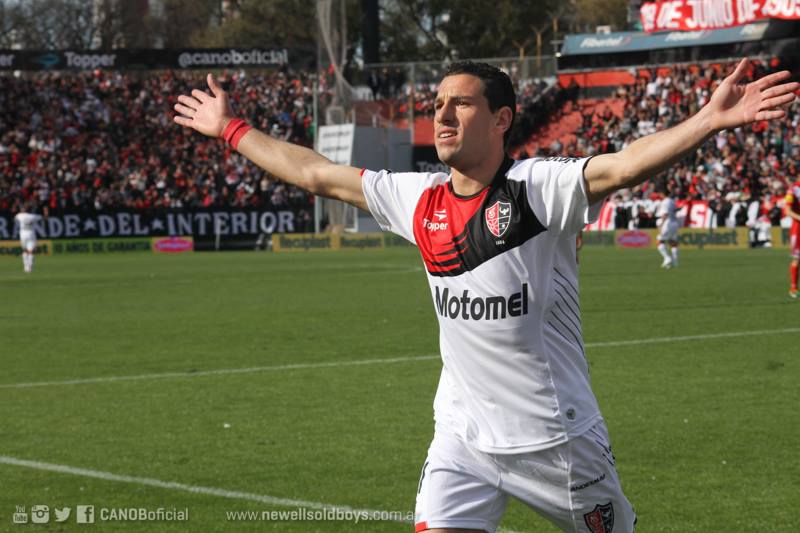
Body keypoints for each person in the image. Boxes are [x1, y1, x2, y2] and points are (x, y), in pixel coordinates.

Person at [174, 59, 797, 533]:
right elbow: (315, 172)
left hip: (557, 444)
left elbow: (621, 166)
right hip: (463, 437)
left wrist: (708, 120)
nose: (442, 116)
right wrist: (230, 128)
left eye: (461, 104)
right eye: (437, 104)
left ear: (501, 119)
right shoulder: (416, 198)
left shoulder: (536, 189)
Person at [14, 204, 43, 274]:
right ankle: (30, 267)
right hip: (31, 234)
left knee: (24, 250)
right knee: (31, 251)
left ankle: (25, 266)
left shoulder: (20, 215)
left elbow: (15, 218)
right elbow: (43, 217)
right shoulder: (33, 216)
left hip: (23, 234)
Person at [656, 188, 680, 268]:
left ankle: (667, 258)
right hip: (674, 222)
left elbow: (665, 214)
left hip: (667, 223)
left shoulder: (665, 202)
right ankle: (675, 262)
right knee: (673, 242)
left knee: (659, 241)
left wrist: (661, 225)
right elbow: (675, 210)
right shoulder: (672, 201)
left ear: (662, 194)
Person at [785, 179, 800, 298]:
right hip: (798, 229)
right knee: (797, 258)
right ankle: (793, 288)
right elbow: (787, 211)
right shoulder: (793, 190)